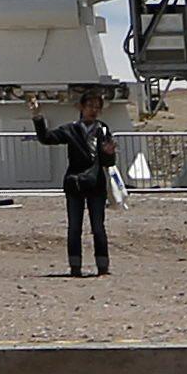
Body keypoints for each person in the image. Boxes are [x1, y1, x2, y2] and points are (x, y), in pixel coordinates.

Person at [31, 91, 123, 275]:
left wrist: (109, 153)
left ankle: (102, 266)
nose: (94, 110)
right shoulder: (70, 130)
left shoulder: (102, 130)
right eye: (90, 106)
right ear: (81, 107)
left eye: (97, 107)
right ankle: (75, 266)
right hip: (75, 184)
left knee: (98, 227)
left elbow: (108, 163)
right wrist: (37, 117)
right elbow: (46, 138)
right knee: (74, 227)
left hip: (95, 184)